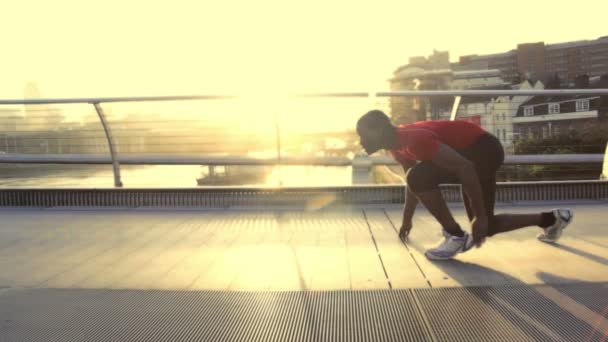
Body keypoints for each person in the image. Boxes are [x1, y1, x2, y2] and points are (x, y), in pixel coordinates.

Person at [356, 110, 573, 260]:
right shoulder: (397, 148)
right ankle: (552, 219)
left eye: (363, 134)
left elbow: (466, 168)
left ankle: (456, 235)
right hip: (469, 153)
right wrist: (406, 220)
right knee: (486, 228)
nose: (361, 141)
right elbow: (414, 185)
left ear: (380, 130)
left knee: (480, 220)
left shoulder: (415, 139)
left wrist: (478, 215)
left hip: (482, 149)